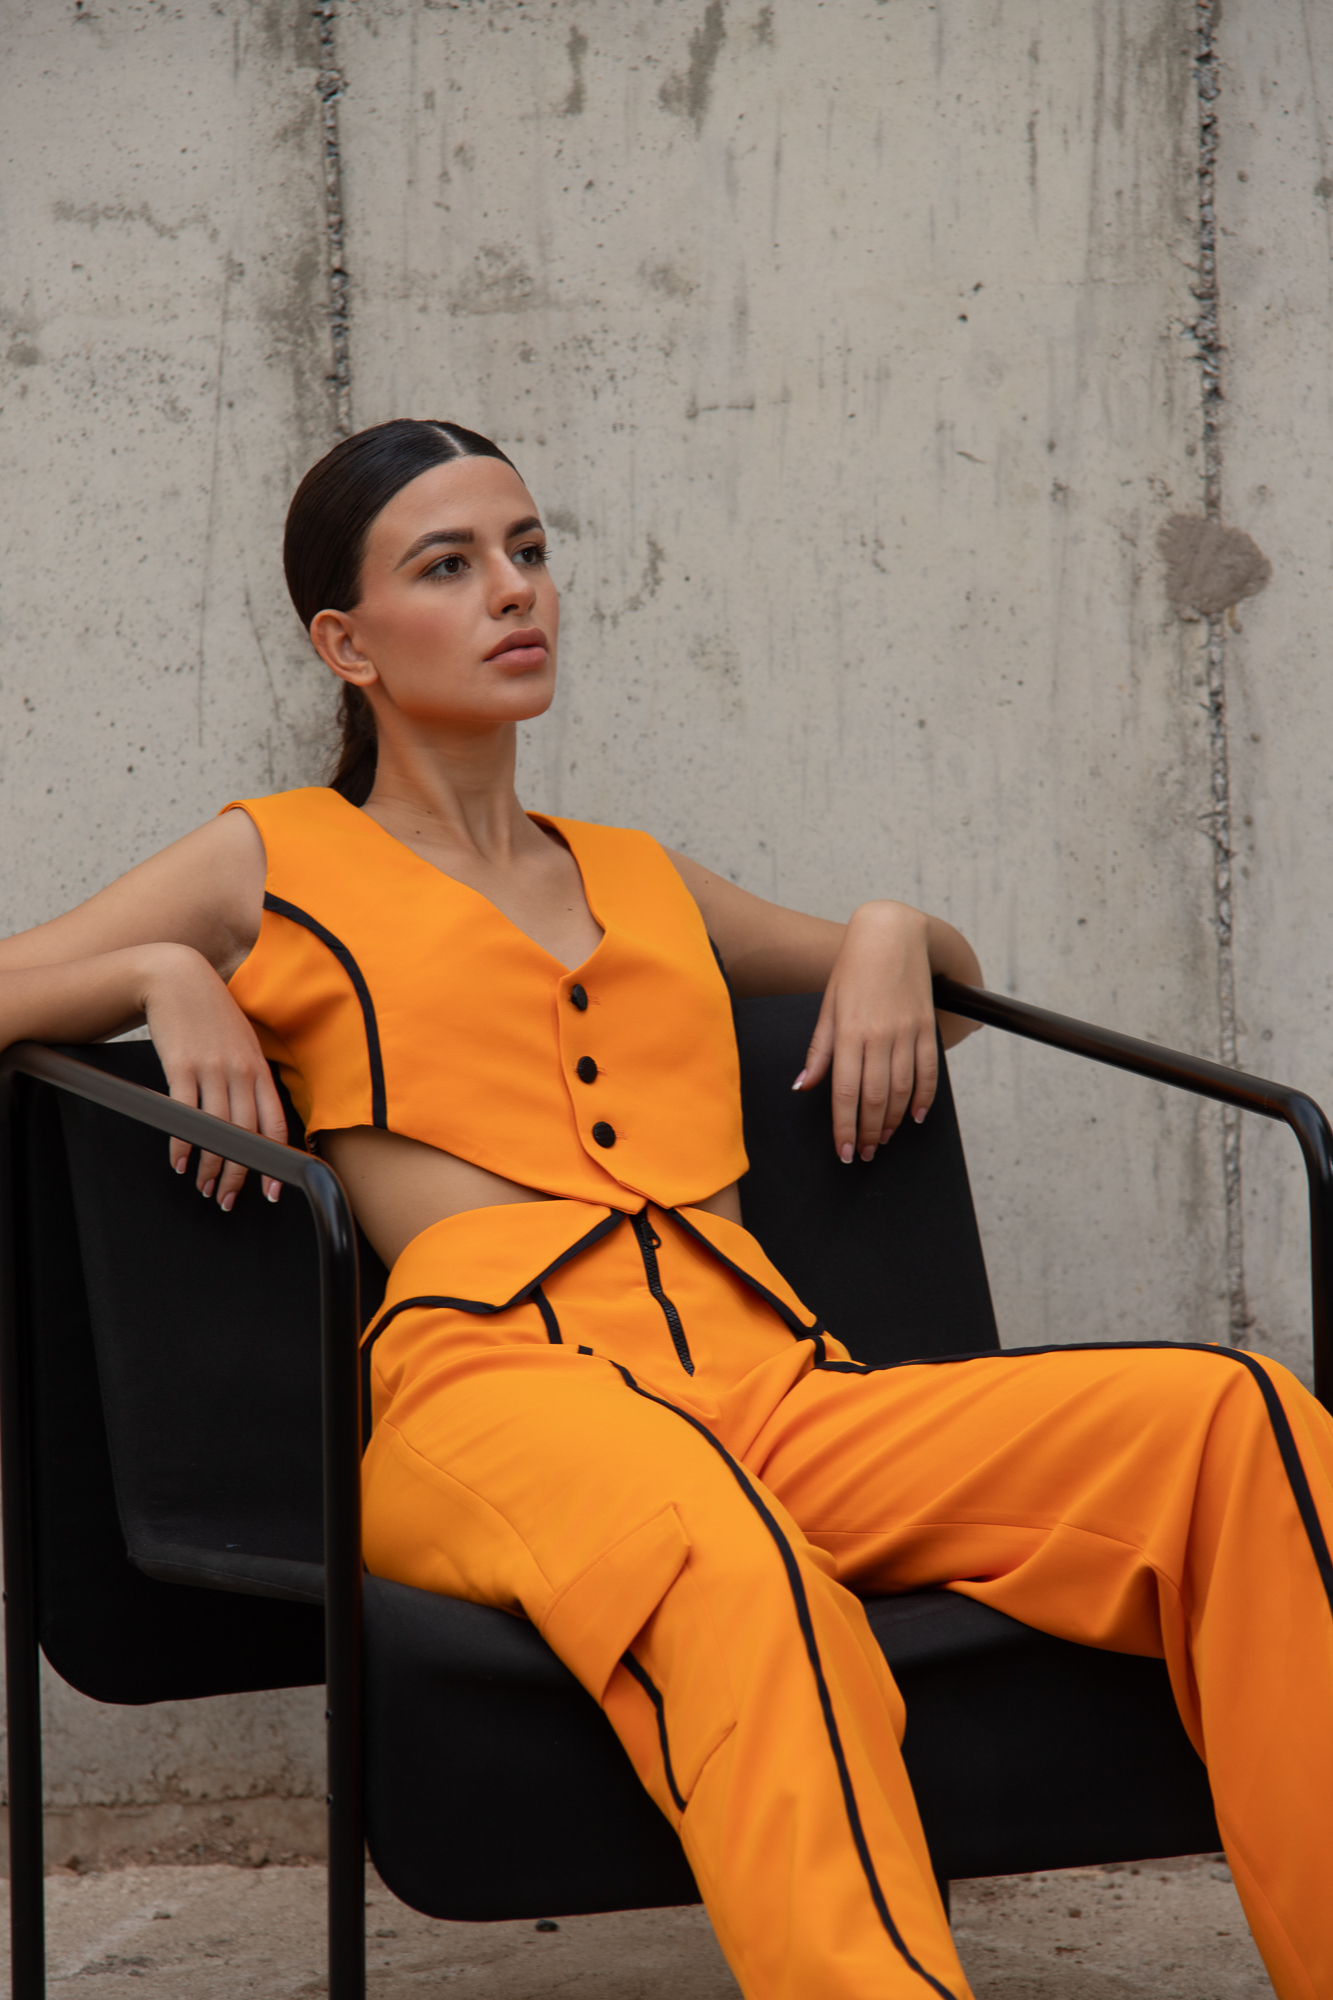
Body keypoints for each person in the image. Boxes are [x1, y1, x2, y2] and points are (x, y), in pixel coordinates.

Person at [1, 418, 1330, 2000]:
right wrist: (157, 975)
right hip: (496, 1398)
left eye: (527, 550)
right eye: (449, 565)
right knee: (725, 1550)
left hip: (773, 1386)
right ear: (346, 645)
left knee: (1234, 1420)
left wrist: (894, 928)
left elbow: (942, 989)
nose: (514, 591)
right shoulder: (269, 860)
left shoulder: (640, 878)